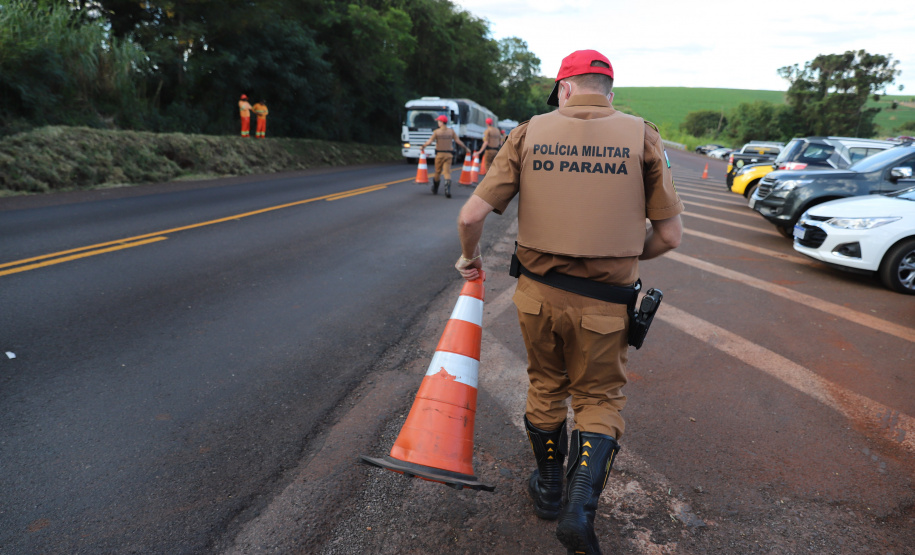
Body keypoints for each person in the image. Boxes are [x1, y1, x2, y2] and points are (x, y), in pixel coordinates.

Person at [455, 49, 683, 555]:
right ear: (610, 92)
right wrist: (624, 258)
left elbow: (470, 216)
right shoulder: (643, 136)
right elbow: (670, 236)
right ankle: (580, 507)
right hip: (607, 305)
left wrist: (469, 258)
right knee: (599, 399)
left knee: (545, 385)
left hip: (537, 297)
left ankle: (549, 488)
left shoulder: (527, 133)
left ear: (564, 88)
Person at [421, 115, 470, 198]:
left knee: (438, 172)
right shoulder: (451, 132)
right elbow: (458, 141)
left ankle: (435, 188)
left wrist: (423, 146)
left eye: (438, 121)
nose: (438, 123)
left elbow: (430, 141)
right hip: (448, 155)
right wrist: (466, 148)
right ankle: (447, 190)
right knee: (447, 172)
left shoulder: (437, 132)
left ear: (441, 122)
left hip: (439, 155)